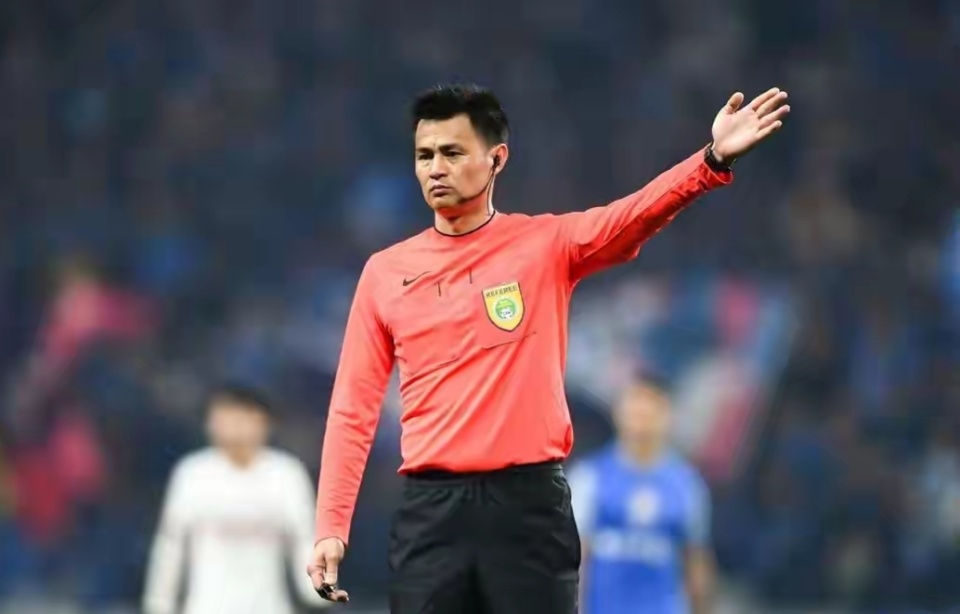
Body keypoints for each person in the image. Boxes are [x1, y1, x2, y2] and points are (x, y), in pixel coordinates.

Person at [309, 83, 789, 613]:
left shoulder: (543, 245)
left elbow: (633, 216)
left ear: (496, 159)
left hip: (528, 506)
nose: (436, 169)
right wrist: (331, 525)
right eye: (425, 155)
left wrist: (711, 160)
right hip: (432, 511)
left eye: (452, 152)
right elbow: (353, 408)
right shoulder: (384, 274)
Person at [142, 386, 329, 614]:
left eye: (243, 417)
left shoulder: (285, 473)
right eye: (225, 417)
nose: (235, 426)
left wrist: (318, 594)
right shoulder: (194, 474)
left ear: (265, 423)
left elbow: (305, 540)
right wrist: (159, 602)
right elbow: (170, 545)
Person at [568, 375, 713, 614]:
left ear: (668, 415)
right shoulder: (589, 478)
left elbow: (696, 563)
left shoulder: (687, 485)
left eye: (652, 407)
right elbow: (576, 560)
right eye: (636, 405)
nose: (643, 415)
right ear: (619, 412)